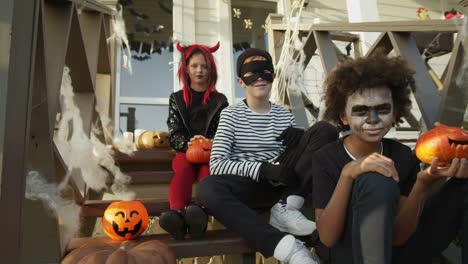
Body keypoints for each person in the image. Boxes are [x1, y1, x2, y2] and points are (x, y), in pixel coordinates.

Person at [311, 52, 468, 263]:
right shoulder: (326, 158)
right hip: (346, 253)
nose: (373, 119)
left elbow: (397, 236)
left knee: (464, 186)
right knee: (376, 179)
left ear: (395, 113)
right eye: (361, 111)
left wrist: (422, 184)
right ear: (344, 117)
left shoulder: (402, 155)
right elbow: (328, 238)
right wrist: (349, 173)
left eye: (382, 109)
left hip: (392, 250)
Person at [196, 48, 339, 264]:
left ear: (272, 75)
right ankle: (286, 248)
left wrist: (302, 137)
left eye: (264, 71)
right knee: (208, 188)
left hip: (286, 184)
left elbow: (305, 154)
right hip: (250, 185)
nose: (259, 78)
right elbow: (217, 164)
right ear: (241, 81)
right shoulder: (230, 115)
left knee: (325, 130)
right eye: (251, 73)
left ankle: (286, 209)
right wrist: (261, 169)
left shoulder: (283, 114)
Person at [160, 42, 228, 240]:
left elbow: (223, 131)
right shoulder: (177, 99)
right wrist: (188, 143)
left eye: (204, 66)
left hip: (210, 152)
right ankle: (177, 216)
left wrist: (208, 141)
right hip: (186, 152)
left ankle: (199, 215)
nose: (200, 70)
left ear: (211, 70)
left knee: (208, 172)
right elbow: (174, 133)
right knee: (183, 168)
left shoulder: (220, 101)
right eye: (195, 66)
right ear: (186, 69)